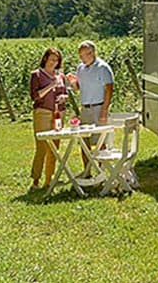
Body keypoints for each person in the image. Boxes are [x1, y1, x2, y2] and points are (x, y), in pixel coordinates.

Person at [66, 40, 114, 161]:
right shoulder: (80, 68)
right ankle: (87, 172)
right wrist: (73, 83)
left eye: (84, 55)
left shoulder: (102, 68)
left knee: (100, 141)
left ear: (92, 53)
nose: (82, 58)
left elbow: (109, 90)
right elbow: (77, 88)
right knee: (84, 141)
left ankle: (102, 171)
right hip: (85, 108)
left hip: (99, 107)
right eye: (80, 56)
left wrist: (104, 111)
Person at [29, 47, 68, 189]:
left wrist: (64, 97)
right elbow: (35, 96)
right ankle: (36, 179)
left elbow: (64, 92)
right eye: (52, 59)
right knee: (42, 146)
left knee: (55, 147)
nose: (54, 62)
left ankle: (49, 178)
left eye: (56, 60)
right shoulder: (37, 75)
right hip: (43, 112)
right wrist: (50, 86)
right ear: (45, 59)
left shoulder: (61, 76)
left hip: (58, 113)